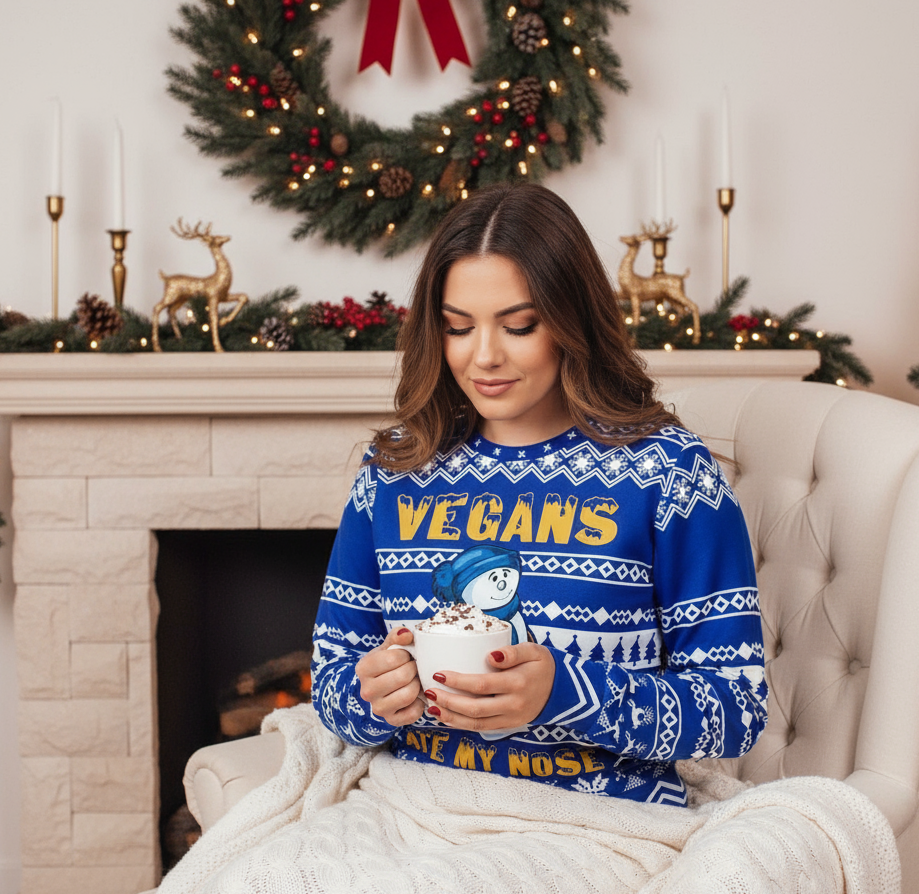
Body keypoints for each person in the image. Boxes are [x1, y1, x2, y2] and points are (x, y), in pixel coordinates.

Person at [313, 182, 767, 806]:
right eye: (457, 327)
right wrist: (372, 698)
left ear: (569, 321)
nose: (484, 357)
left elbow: (737, 709)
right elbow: (333, 684)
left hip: (592, 821)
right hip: (417, 807)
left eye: (519, 326)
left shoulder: (671, 477)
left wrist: (568, 694)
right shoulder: (394, 471)